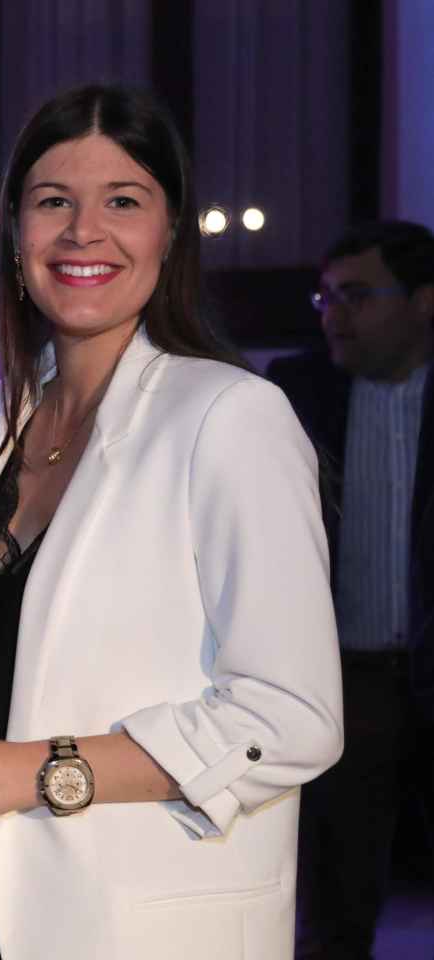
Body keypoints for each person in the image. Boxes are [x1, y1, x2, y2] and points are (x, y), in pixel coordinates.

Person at [0, 84, 344, 960]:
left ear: (169, 232)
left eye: (123, 201)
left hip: (135, 923)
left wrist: (35, 771)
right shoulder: (7, 414)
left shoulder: (232, 415)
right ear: (15, 234)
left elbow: (293, 715)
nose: (85, 231)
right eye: (55, 202)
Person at [267, 219, 434, 959]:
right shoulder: (296, 391)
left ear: (425, 301)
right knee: (334, 902)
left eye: (356, 296)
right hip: (344, 682)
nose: (335, 316)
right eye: (326, 298)